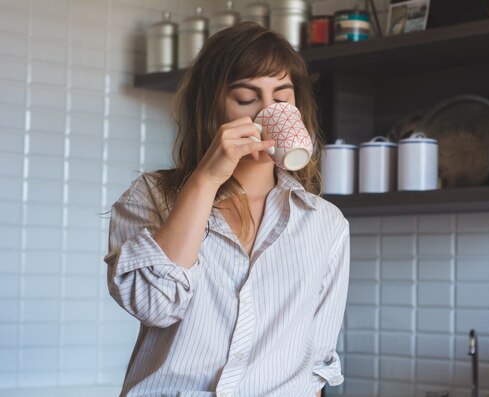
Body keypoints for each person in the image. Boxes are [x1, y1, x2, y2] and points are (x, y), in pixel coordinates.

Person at [104, 22, 350, 397]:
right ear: (212, 106)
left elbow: (314, 366)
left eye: (282, 98)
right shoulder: (151, 196)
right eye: (247, 98)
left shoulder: (325, 223)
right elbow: (153, 305)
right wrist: (204, 180)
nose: (269, 111)